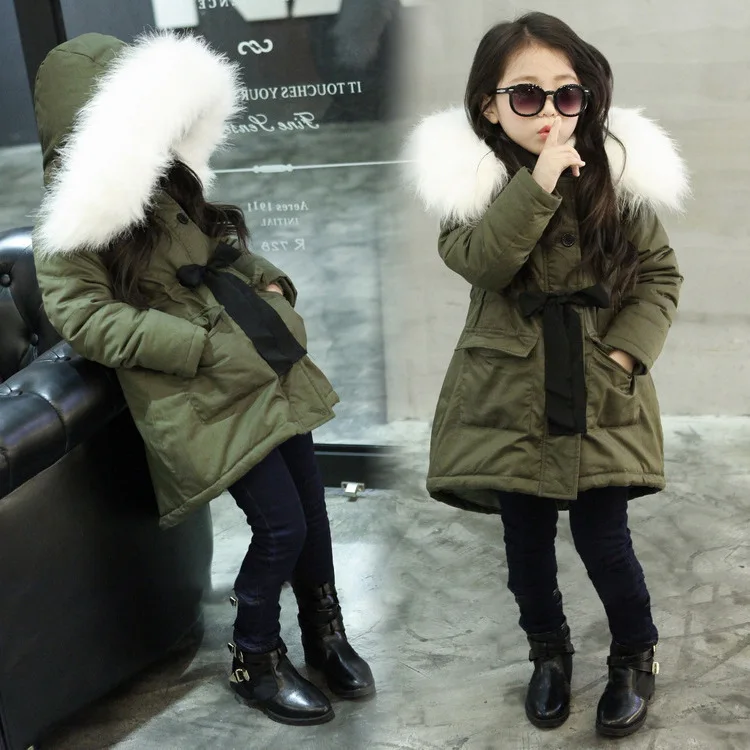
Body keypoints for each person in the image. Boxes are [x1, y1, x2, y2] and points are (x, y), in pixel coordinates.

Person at [32, 31, 374, 726]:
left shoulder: (160, 182)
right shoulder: (72, 221)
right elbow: (83, 317)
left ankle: (325, 632)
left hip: (261, 363)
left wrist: (268, 283)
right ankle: (255, 658)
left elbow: (216, 252)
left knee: (310, 511)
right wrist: (194, 345)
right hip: (201, 393)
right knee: (280, 527)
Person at [406, 12, 688, 738]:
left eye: (568, 95)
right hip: (509, 393)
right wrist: (537, 182)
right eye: (527, 95)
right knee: (525, 546)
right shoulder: (468, 184)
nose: (551, 113)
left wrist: (624, 354)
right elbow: (485, 263)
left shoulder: (618, 178)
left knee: (605, 539)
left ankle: (635, 655)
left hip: (599, 388)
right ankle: (549, 654)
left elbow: (658, 275)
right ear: (488, 106)